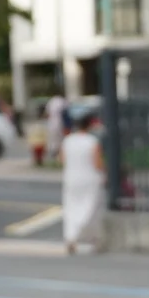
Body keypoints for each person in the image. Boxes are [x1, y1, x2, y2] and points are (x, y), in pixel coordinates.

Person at [60, 109, 107, 255]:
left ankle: (71, 236)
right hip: (90, 178)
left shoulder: (67, 140)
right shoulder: (92, 141)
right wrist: (105, 172)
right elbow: (97, 163)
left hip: (71, 177)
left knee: (71, 207)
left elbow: (62, 159)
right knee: (90, 208)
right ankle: (93, 239)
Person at [44, 92, 68, 163]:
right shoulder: (62, 101)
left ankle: (55, 153)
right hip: (60, 122)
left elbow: (47, 113)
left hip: (52, 122)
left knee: (53, 138)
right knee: (60, 138)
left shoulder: (51, 101)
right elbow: (66, 112)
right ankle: (59, 153)